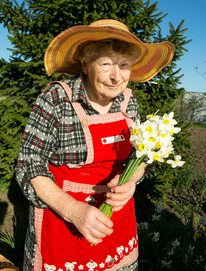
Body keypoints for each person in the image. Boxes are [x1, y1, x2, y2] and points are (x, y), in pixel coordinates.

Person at [15, 19, 175, 271]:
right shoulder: (57, 98)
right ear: (86, 64)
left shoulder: (129, 102)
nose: (116, 76)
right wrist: (73, 209)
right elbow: (28, 164)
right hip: (63, 221)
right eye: (106, 63)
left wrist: (131, 180)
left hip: (117, 222)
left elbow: (140, 158)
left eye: (124, 65)